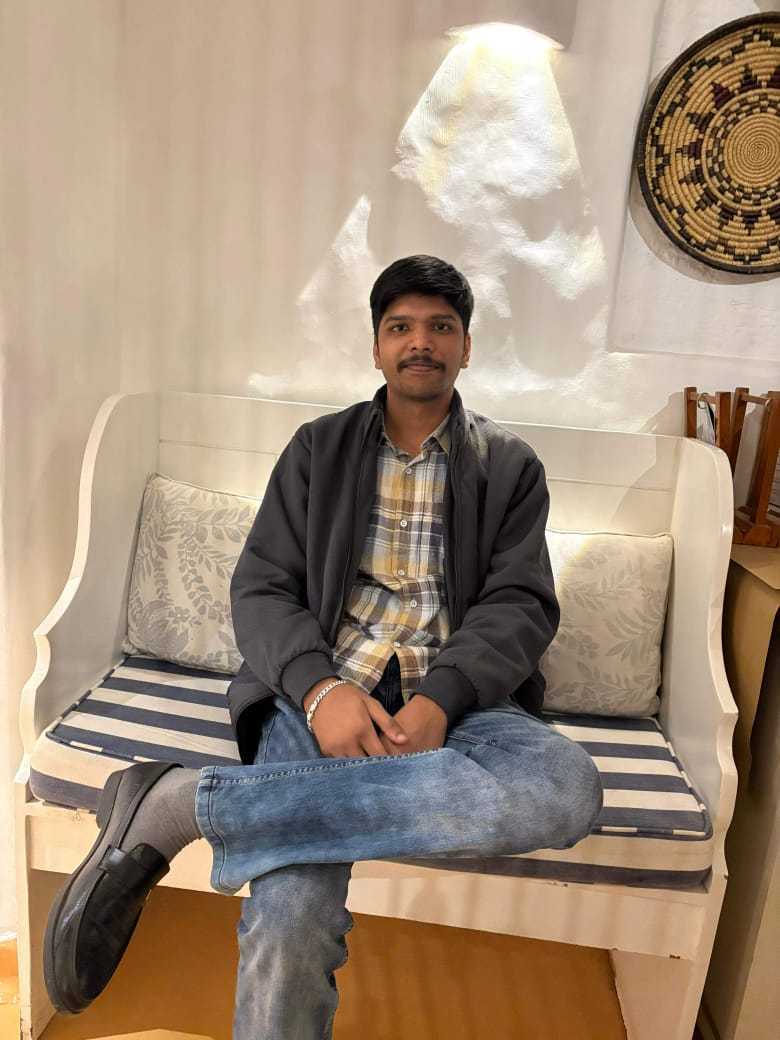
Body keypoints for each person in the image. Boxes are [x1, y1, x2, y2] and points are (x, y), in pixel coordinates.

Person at [43, 255, 604, 1038]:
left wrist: (441, 699)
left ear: (466, 346)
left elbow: (521, 604)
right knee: (292, 909)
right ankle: (188, 808)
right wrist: (320, 691)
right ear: (376, 346)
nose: (420, 342)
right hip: (324, 693)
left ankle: (181, 806)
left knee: (567, 787)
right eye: (400, 326)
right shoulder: (318, 449)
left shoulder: (509, 466)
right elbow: (261, 588)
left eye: (440, 327)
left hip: (466, 705)